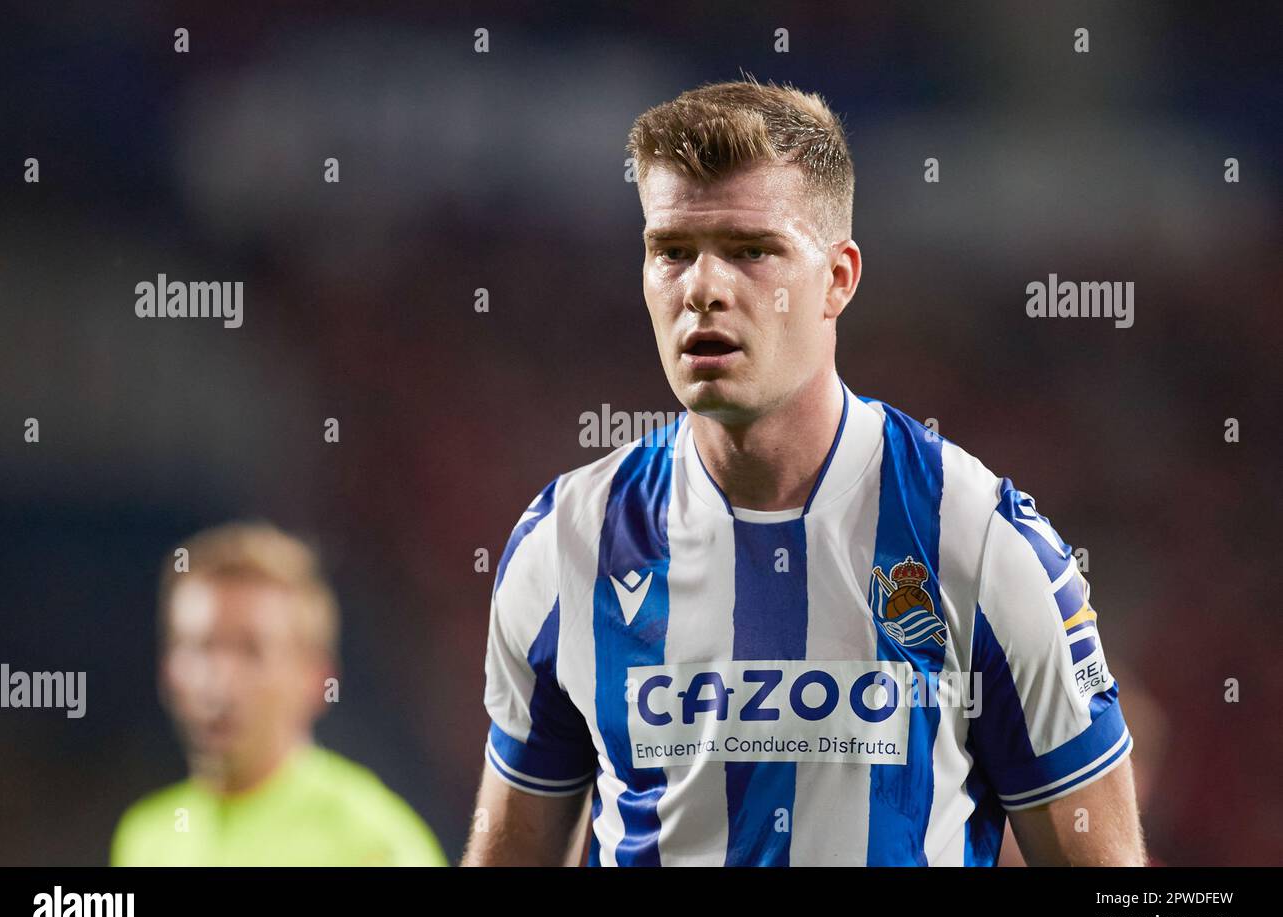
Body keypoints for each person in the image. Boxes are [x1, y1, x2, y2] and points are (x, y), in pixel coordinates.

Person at [462, 77, 1144, 866]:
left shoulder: (980, 541)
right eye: (672, 252)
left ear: (839, 279)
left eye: (753, 251)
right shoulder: (566, 545)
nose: (704, 290)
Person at [111, 521, 446, 866]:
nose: (219, 681)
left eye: (252, 651)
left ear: (315, 679)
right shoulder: (146, 837)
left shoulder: (372, 843)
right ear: (167, 670)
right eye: (200, 647)